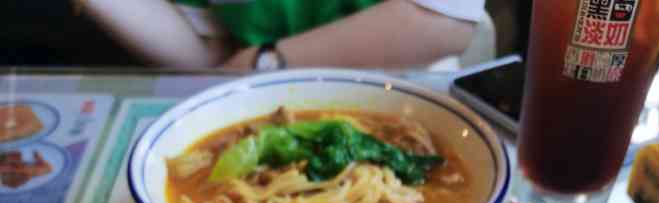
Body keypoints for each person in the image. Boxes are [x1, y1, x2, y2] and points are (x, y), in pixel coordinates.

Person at [77, 0, 486, 71]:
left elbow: (442, 24)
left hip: (408, 81)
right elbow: (209, 52)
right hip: (260, 89)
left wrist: (265, 63)